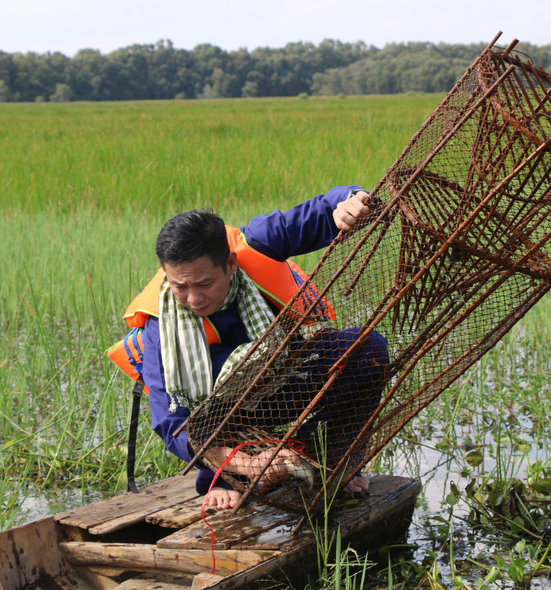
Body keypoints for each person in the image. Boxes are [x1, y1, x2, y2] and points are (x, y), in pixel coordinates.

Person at [110, 186, 383, 509]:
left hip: (282, 378)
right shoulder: (160, 326)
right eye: (180, 286)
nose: (193, 299)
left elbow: (321, 210)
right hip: (222, 414)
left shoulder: (259, 244)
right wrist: (245, 465)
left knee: (367, 348)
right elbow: (172, 424)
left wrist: (351, 201)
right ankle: (225, 478)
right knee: (199, 418)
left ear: (230, 264)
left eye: (204, 284)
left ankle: (331, 461)